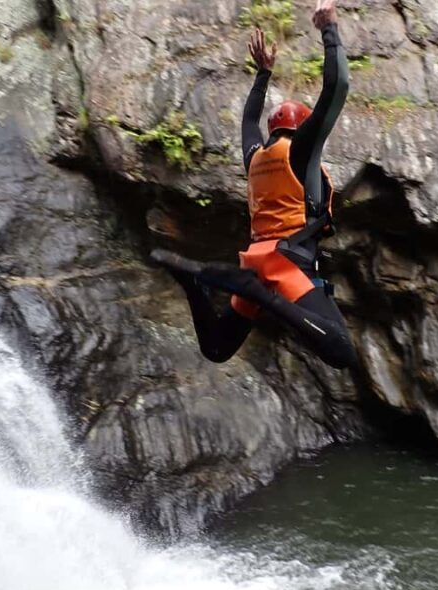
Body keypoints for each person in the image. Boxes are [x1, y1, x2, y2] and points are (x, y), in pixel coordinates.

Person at [151, 0, 355, 369]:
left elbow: (248, 122)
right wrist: (329, 28)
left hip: (257, 260)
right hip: (287, 265)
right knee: (341, 351)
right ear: (302, 128)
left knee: (216, 348)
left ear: (274, 128)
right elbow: (336, 87)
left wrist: (263, 74)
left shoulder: (256, 157)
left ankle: (195, 286)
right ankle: (261, 296)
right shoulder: (301, 151)